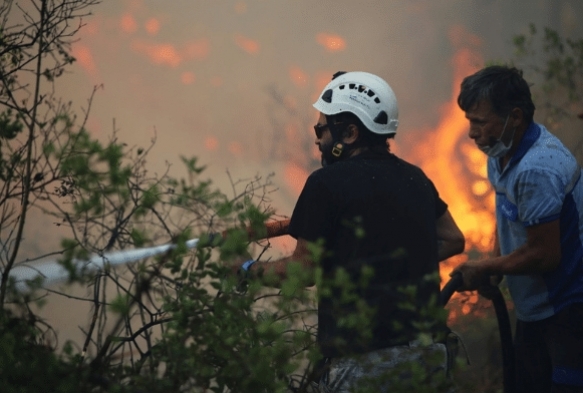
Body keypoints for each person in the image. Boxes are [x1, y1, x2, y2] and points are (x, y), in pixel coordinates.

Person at [230, 71, 465, 392]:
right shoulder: (416, 178)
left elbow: (302, 272)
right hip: (429, 355)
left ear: (350, 133)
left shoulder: (325, 183)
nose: (316, 138)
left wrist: (246, 268)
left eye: (322, 129)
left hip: (366, 364)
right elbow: (453, 239)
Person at [453, 65, 583, 393]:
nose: (471, 132)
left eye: (479, 122)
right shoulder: (499, 153)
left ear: (514, 116)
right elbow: (506, 217)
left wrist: (487, 266)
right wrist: (496, 265)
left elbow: (545, 254)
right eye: (470, 121)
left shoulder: (537, 169)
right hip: (534, 309)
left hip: (568, 307)